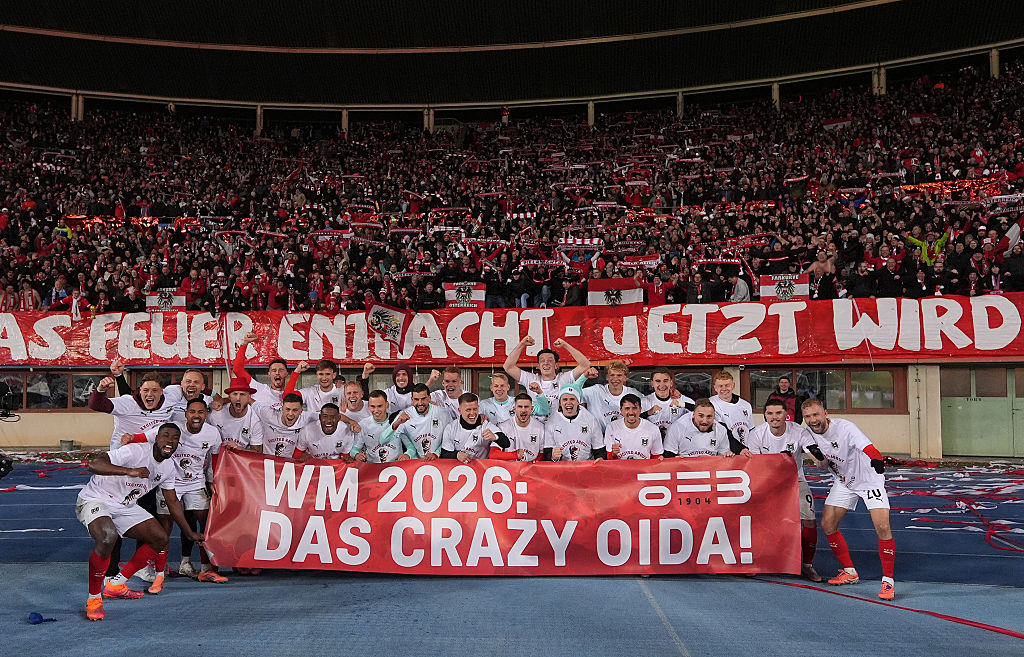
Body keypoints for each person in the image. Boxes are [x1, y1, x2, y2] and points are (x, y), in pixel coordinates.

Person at [76, 423, 201, 620]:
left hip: (124, 506)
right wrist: (129, 471)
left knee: (160, 538)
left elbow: (172, 501)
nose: (170, 440)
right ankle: (94, 599)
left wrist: (188, 532)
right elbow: (94, 464)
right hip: (97, 497)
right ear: (156, 438)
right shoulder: (134, 451)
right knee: (108, 537)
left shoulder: (168, 467)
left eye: (175, 438)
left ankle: (116, 585)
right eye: (165, 435)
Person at [802, 398, 896, 600]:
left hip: (869, 479)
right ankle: (849, 572)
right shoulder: (808, 433)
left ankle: (888, 582)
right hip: (844, 482)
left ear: (825, 413)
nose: (812, 420)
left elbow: (868, 447)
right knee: (828, 523)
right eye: (808, 416)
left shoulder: (845, 428)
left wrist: (877, 460)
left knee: (882, 527)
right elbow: (818, 458)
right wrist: (819, 462)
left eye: (816, 415)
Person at [125, 399, 225, 583]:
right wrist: (130, 438)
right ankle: (158, 570)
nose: (196, 416)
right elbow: (145, 437)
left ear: (206, 414)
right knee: (165, 526)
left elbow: (216, 458)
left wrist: (215, 481)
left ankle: (206, 567)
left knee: (206, 522)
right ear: (185, 413)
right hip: (170, 483)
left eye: (201, 412)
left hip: (196, 483)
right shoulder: (172, 429)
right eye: (192, 411)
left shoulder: (212, 433)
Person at [746, 399, 825, 582]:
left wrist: (820, 459)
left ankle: (807, 565)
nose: (774, 418)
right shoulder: (756, 434)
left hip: (795, 479)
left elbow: (811, 449)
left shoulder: (798, 431)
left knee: (810, 519)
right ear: (765, 415)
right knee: (755, 519)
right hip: (767, 481)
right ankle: (756, 560)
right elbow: (755, 465)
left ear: (786, 415)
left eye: (778, 413)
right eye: (770, 413)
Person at [503, 335, 592, 412]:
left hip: (558, 427)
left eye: (550, 360)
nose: (546, 363)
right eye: (542, 361)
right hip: (536, 427)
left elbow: (585, 365)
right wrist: (522, 344)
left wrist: (565, 345)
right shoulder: (531, 379)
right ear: (538, 365)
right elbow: (508, 367)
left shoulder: (564, 378)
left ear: (556, 365)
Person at [439, 393, 510, 462]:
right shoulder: (451, 427)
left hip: (481, 470)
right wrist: (457, 455)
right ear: (460, 411)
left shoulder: (486, 425)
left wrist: (495, 437)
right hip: (458, 470)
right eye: (468, 410)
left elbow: (506, 443)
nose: (472, 413)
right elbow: (444, 453)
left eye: (475, 409)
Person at [252, 392, 325, 458]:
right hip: (268, 463)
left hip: (290, 465)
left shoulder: (307, 417)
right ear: (282, 408)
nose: (290, 413)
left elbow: (327, 416)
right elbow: (250, 401)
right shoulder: (268, 414)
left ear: (301, 411)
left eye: (295, 410)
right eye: (287, 409)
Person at [233, 331, 292, 409]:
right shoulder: (259, 389)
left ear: (287, 374)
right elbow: (237, 369)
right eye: (274, 370)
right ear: (269, 374)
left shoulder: (294, 393)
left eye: (281, 370)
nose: (277, 373)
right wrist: (245, 343)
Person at [543, 385, 603, 461]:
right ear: (560, 403)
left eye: (572, 399)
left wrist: (600, 459)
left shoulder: (591, 420)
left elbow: (599, 448)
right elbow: (547, 451)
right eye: (565, 399)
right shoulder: (551, 422)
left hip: (586, 466)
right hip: (562, 467)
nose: (568, 402)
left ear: (578, 402)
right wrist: (553, 456)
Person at [393, 383, 451, 459]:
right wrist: (408, 454)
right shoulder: (404, 416)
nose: (420, 403)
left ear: (429, 398)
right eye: (416, 399)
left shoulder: (444, 413)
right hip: (415, 464)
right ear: (412, 400)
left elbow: (449, 439)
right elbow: (385, 440)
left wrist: (436, 454)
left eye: (423, 399)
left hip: (439, 462)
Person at [663, 398, 737, 458]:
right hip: (685, 470)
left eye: (709, 416)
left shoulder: (721, 430)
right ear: (693, 414)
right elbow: (668, 455)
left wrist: (727, 455)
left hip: (710, 470)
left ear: (714, 416)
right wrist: (675, 460)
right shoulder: (677, 427)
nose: (704, 421)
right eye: (701, 416)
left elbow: (723, 455)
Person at [582, 360, 643, 430]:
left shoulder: (634, 393)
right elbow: (571, 392)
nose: (615, 379)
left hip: (625, 437)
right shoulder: (596, 391)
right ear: (607, 377)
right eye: (612, 375)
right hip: (598, 437)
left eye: (619, 375)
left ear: (625, 378)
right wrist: (584, 377)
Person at [208, 377, 265, 451]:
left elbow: (257, 452)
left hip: (241, 460)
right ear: (229, 397)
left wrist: (239, 449)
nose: (238, 398)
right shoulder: (216, 415)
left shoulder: (256, 421)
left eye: (242, 394)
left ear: (249, 397)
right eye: (235, 394)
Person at [350, 391, 408, 462]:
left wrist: (407, 455)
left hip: (396, 467)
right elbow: (354, 449)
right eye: (373, 406)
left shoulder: (398, 420)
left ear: (387, 405)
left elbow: (410, 446)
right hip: (374, 468)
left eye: (380, 406)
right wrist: (356, 455)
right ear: (368, 406)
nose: (376, 410)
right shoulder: (363, 425)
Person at [359, 362, 439, 412]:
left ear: (410, 377)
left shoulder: (418, 394)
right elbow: (366, 400)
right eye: (398, 375)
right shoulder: (389, 393)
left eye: (404, 374)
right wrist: (365, 376)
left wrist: (431, 380)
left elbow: (421, 391)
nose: (401, 378)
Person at [603, 394, 663, 460]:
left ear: (640, 410)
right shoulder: (611, 427)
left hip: (643, 469)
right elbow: (609, 459)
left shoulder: (653, 429)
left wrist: (659, 459)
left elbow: (656, 456)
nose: (631, 412)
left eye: (634, 408)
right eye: (627, 408)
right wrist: (613, 454)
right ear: (621, 410)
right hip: (620, 469)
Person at [478, 371, 551, 422]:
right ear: (491, 388)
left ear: (508, 387)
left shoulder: (518, 402)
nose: (499, 389)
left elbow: (544, 410)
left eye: (502, 386)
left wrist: (539, 392)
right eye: (496, 386)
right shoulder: (484, 404)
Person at [495, 393, 546, 462]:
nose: (523, 410)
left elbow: (542, 452)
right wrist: (514, 455)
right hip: (509, 469)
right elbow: (494, 454)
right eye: (520, 406)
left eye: (526, 407)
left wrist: (536, 462)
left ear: (532, 409)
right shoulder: (502, 427)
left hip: (531, 470)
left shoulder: (541, 428)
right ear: (514, 409)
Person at [641, 367, 693, 435]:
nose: (662, 385)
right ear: (652, 383)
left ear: (671, 383)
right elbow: (631, 420)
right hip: (653, 442)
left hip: (676, 443)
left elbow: (701, 410)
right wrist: (648, 413)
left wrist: (682, 404)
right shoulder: (645, 401)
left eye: (665, 381)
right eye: (658, 381)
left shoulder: (680, 399)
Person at [709, 370, 753, 446]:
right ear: (715, 388)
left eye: (727, 385)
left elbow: (751, 430)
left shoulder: (746, 405)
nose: (724, 389)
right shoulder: (711, 404)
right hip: (724, 451)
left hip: (745, 450)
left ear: (733, 386)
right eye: (720, 386)